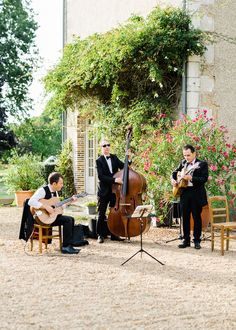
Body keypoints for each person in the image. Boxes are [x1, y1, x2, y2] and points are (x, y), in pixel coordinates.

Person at [28, 172, 80, 254]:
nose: (62, 185)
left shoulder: (55, 192)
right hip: (42, 218)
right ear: (54, 183)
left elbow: (58, 208)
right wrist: (45, 207)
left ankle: (68, 245)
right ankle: (65, 247)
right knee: (68, 220)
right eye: (61, 183)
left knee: (70, 219)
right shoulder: (42, 190)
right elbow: (30, 202)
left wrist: (70, 202)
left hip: (51, 218)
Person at [171, 144, 208, 249]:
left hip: (196, 193)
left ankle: (197, 241)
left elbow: (204, 179)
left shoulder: (202, 164)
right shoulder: (183, 163)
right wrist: (173, 180)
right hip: (184, 193)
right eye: (184, 155)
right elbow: (173, 173)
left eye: (188, 155)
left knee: (196, 217)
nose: (186, 157)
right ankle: (186, 240)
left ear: (194, 153)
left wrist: (191, 178)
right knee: (185, 217)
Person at [96, 140, 128, 243]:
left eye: (108, 145)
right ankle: (100, 235)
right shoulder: (99, 160)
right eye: (104, 145)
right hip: (104, 191)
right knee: (101, 213)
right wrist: (114, 180)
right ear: (101, 148)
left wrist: (128, 158)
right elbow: (101, 177)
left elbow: (124, 167)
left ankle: (114, 234)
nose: (106, 147)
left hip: (115, 191)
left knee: (114, 213)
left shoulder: (114, 157)